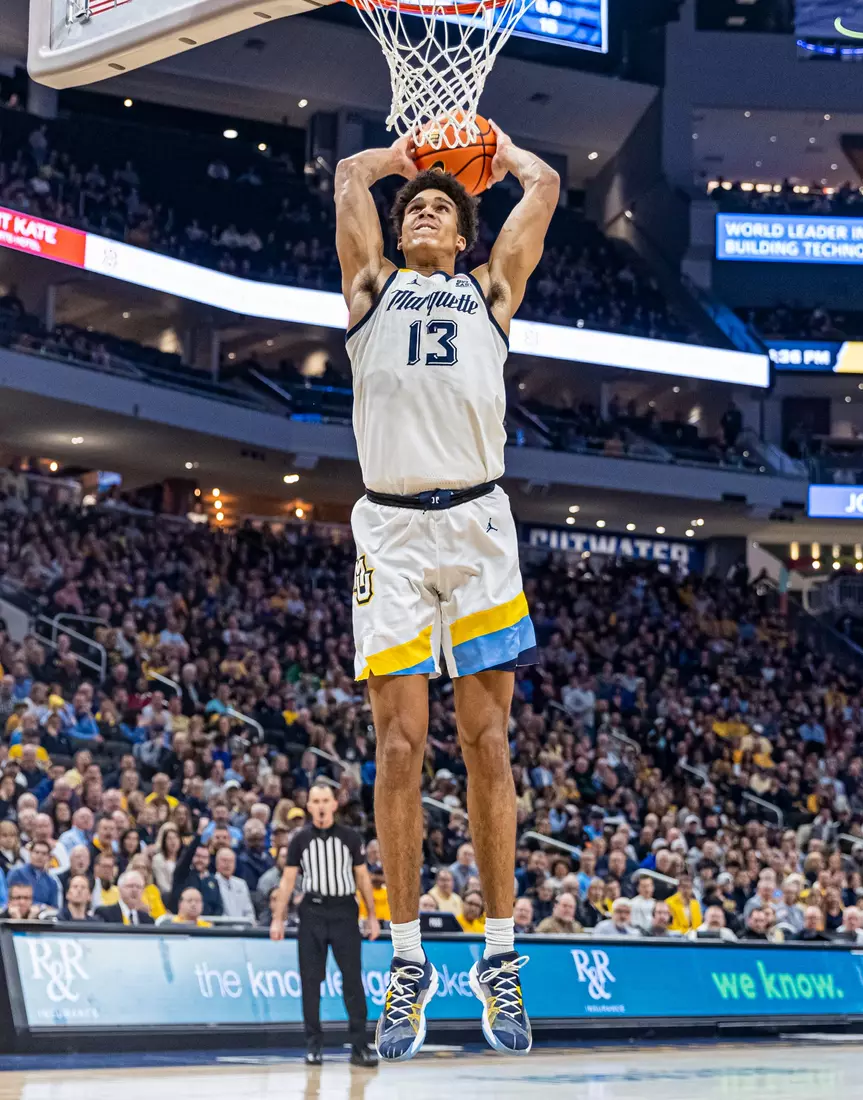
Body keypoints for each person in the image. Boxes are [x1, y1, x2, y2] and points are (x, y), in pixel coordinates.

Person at [336, 123, 559, 1061]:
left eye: (441, 206)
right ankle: (406, 961)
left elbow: (542, 186)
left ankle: (499, 958)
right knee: (396, 748)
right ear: (396, 235)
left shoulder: (488, 291)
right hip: (388, 529)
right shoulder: (368, 291)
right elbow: (351, 172)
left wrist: (494, 148)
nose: (426, 209)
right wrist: (409, 153)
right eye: (413, 208)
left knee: (488, 742)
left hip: (476, 527)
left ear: (463, 237)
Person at [271, 781, 379, 1068]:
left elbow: (363, 878)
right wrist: (278, 918)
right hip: (313, 913)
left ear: (334, 804)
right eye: (315, 801)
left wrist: (371, 915)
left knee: (353, 980)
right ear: (309, 806)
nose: (320, 806)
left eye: (325, 801)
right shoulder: (299, 840)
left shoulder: (350, 837)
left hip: (344, 911)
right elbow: (288, 881)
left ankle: (360, 1046)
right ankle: (313, 1046)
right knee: (310, 981)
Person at [8, 840, 61, 909]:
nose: (39, 856)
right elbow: (9, 899)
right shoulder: (17, 873)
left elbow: (54, 907)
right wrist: (41, 906)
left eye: (44, 854)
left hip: (43, 917)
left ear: (49, 857)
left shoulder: (51, 882)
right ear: (30, 853)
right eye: (36, 852)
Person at [215, 846, 256, 924]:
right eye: (224, 860)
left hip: (242, 931)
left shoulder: (241, 884)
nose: (227, 864)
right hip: (221, 930)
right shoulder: (212, 882)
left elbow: (249, 911)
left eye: (231, 861)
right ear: (217, 863)